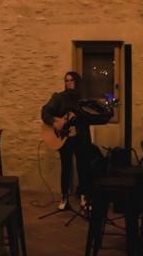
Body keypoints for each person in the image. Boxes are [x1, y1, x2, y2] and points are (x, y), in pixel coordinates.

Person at [40, 71, 109, 211]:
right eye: (67, 80)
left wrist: (105, 112)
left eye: (71, 80)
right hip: (64, 139)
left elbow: (96, 117)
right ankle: (64, 198)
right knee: (66, 167)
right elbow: (45, 111)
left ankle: (84, 197)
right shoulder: (59, 98)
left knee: (83, 167)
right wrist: (54, 122)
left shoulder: (83, 101)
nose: (69, 82)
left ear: (77, 82)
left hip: (80, 138)